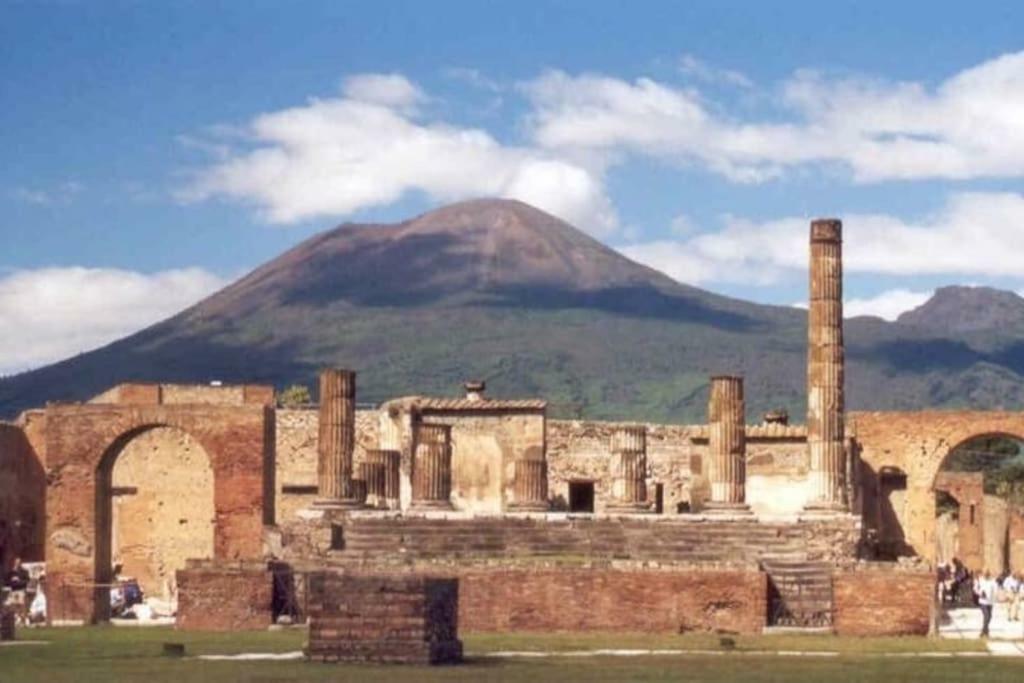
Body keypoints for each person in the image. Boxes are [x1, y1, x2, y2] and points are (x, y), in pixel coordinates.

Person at [4, 557, 30, 625]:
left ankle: (23, 619)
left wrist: (19, 581)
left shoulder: (24, 572)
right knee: (10, 604)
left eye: (18, 562)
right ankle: (15, 618)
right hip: (13, 591)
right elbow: (6, 582)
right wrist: (12, 581)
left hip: (20, 590)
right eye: (16, 562)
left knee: (21, 604)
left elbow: (27, 581)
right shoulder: (11, 572)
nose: (17, 564)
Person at [974, 570, 998, 638]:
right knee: (986, 616)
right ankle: (984, 632)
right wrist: (980, 593)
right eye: (985, 574)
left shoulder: (993, 582)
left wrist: (995, 597)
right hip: (983, 601)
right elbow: (975, 589)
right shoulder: (980, 581)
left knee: (990, 616)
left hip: (990, 602)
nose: (986, 575)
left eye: (987, 574)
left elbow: (995, 590)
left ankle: (985, 631)